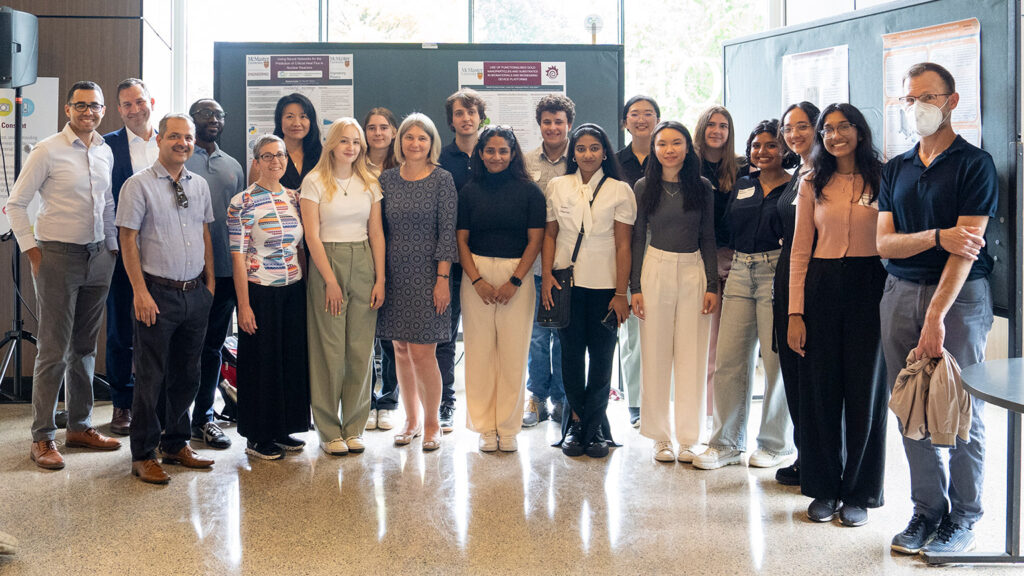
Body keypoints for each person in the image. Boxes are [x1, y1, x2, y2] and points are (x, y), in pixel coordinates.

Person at [880, 62, 997, 555]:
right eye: (910, 99)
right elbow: (883, 243)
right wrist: (933, 236)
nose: (917, 107)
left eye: (927, 98)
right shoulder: (896, 167)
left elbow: (965, 249)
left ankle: (964, 517)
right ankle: (928, 510)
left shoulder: (976, 164)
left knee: (962, 404)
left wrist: (935, 318)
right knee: (910, 405)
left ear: (951, 102)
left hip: (960, 299)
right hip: (899, 292)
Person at [7, 80, 122, 470]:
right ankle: (42, 437)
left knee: (85, 348)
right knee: (53, 349)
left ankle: (80, 426)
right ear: (68, 110)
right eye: (81, 106)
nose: (88, 112)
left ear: (103, 111)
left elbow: (106, 202)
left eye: (95, 106)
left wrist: (112, 248)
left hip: (98, 258)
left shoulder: (104, 151)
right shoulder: (48, 150)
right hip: (57, 256)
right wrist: (34, 252)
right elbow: (16, 204)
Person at [786, 103, 886, 526]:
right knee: (821, 391)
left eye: (844, 127)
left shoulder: (884, 176)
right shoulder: (813, 181)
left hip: (871, 283)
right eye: (827, 129)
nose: (835, 135)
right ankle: (824, 488)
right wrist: (795, 311)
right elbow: (799, 250)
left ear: (860, 131)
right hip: (822, 285)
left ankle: (860, 492)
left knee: (865, 392)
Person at [117, 113, 217, 484]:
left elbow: (204, 233)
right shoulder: (138, 185)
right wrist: (140, 292)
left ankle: (175, 443)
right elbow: (127, 239)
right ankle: (143, 453)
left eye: (188, 137)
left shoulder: (200, 185)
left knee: (186, 375)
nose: (183, 143)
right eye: (174, 136)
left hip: (195, 294)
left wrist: (209, 285)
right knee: (150, 378)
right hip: (156, 294)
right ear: (159, 139)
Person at [694, 119, 794, 471]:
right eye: (756, 145)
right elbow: (724, 229)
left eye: (771, 145)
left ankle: (776, 444)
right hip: (738, 272)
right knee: (729, 360)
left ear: (785, 149)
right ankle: (726, 443)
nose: (762, 151)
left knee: (775, 363)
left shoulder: (796, 188)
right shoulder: (742, 185)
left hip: (776, 272)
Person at [541, 123, 635, 459]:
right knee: (569, 355)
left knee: (601, 357)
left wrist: (621, 293)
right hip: (566, 284)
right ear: (573, 152)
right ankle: (577, 422)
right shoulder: (557, 185)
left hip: (605, 286)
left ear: (605, 152)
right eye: (581, 148)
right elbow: (549, 235)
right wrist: (548, 276)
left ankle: (595, 427)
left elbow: (624, 246)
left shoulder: (620, 190)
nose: (587, 154)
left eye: (594, 148)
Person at [630, 121, 718, 463]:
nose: (669, 149)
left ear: (687, 147)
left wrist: (712, 284)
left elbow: (708, 237)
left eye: (676, 143)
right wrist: (634, 287)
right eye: (662, 143)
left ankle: (687, 438)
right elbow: (638, 237)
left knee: (691, 355)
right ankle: (660, 437)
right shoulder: (643, 186)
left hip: (693, 268)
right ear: (654, 148)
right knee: (654, 353)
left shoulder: (702, 186)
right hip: (655, 268)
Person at [457, 125, 545, 453]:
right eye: (490, 151)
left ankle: (508, 428)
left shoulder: (530, 191)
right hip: (475, 273)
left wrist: (515, 281)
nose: (496, 157)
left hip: (516, 274)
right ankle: (485, 427)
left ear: (513, 154)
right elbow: (461, 239)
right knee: (479, 353)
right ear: (480, 153)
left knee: (512, 353)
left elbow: (535, 240)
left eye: (503, 151)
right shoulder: (469, 190)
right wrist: (477, 280)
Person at [301, 118, 386, 456]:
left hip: (364, 260)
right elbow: (311, 235)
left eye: (356, 142)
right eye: (344, 141)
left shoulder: (370, 181)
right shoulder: (314, 181)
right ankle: (328, 430)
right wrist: (330, 281)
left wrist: (380, 278)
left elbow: (376, 232)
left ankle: (354, 427)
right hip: (328, 262)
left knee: (360, 351)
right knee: (329, 351)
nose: (351, 147)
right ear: (331, 145)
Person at [376, 113, 458, 452]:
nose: (415, 143)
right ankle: (409, 420)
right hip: (394, 274)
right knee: (400, 349)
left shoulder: (443, 179)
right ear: (400, 142)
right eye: (409, 137)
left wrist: (442, 279)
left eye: (422, 138)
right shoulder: (387, 180)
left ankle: (432, 423)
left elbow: (447, 232)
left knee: (425, 353)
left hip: (429, 275)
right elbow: (378, 231)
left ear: (431, 143)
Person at [228, 134, 309, 461]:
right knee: (261, 363)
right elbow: (237, 257)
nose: (276, 161)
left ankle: (283, 427)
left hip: (293, 289)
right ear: (256, 161)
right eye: (267, 156)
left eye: (280, 155)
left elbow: (300, 247)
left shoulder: (295, 198)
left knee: (289, 360)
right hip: (258, 290)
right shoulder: (242, 202)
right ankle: (257, 436)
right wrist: (243, 306)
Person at [186, 98, 246, 450]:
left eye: (219, 115)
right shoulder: (180, 157)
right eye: (206, 114)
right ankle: (173, 419)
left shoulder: (233, 166)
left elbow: (240, 218)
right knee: (183, 347)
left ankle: (203, 419)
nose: (213, 119)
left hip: (224, 271)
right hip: (186, 271)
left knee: (211, 347)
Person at [103, 78, 159, 436]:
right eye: (126, 105)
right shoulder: (106, 146)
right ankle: (123, 404)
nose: (135, 109)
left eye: (139, 101)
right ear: (118, 109)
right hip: (124, 251)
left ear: (150, 101)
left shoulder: (172, 138)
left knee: (163, 329)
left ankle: (159, 403)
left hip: (166, 252)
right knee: (121, 330)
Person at [772, 101, 820, 486]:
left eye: (803, 126)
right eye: (788, 128)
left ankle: (821, 460)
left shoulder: (824, 171)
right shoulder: (797, 171)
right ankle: (806, 456)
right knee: (794, 373)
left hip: (814, 283)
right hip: (787, 277)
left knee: (814, 375)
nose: (794, 134)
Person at [522, 94, 575, 428]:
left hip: (572, 264)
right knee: (539, 338)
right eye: (547, 121)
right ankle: (537, 399)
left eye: (559, 121)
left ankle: (564, 400)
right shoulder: (526, 163)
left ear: (569, 123)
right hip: (537, 266)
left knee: (566, 337)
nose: (553, 127)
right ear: (539, 124)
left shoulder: (582, 158)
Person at [437, 88, 487, 433]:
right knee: (444, 334)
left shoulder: (496, 154)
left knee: (486, 336)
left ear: (480, 116)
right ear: (451, 119)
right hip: (450, 261)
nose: (466, 118)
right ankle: (445, 403)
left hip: (490, 258)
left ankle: (486, 405)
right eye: (459, 113)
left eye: (471, 112)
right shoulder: (439, 158)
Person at [694, 106, 747, 419]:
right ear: (701, 129)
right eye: (711, 125)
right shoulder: (689, 166)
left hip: (737, 261)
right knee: (704, 344)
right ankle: (703, 413)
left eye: (723, 126)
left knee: (727, 347)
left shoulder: (741, 167)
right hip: (698, 262)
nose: (717, 131)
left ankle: (723, 416)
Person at [616, 95, 659, 428]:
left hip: (668, 250)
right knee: (633, 332)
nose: (641, 119)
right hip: (628, 250)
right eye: (635, 114)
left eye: (648, 113)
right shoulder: (615, 162)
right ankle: (636, 402)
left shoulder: (671, 157)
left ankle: (662, 398)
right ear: (625, 122)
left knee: (664, 329)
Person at [362, 107, 399, 431]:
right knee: (364, 333)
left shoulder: (404, 166)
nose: (377, 133)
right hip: (361, 251)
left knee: (389, 334)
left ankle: (387, 400)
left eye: (384, 127)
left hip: (396, 254)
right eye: (371, 127)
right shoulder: (354, 165)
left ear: (394, 131)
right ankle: (365, 401)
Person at [249, 93, 323, 190]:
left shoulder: (323, 155)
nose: (296, 123)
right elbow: (254, 196)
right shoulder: (264, 156)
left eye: (303, 116)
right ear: (280, 121)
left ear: (311, 121)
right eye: (289, 117)